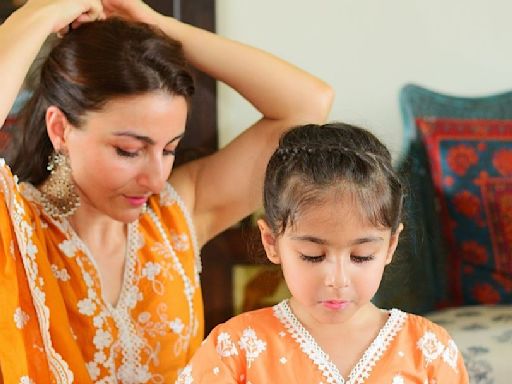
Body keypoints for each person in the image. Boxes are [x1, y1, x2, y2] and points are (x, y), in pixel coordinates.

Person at [0, 0, 333, 383]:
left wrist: (155, 25)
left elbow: (308, 105)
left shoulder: (177, 216)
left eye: (169, 149)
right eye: (129, 150)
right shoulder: (16, 232)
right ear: (60, 130)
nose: (156, 179)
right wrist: (40, 14)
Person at [177, 123, 469, 383]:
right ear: (271, 242)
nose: (337, 280)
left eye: (362, 256)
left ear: (390, 246)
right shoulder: (235, 349)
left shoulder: (429, 349)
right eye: (312, 255)